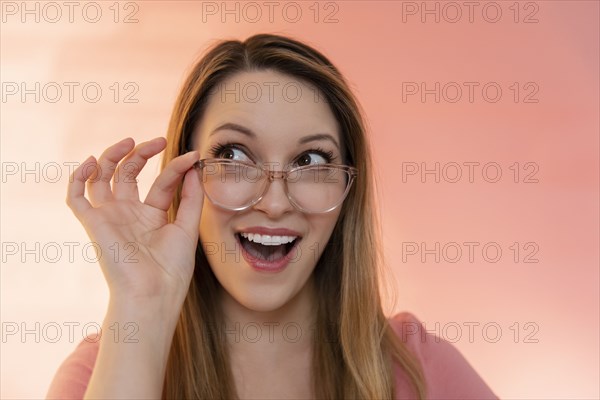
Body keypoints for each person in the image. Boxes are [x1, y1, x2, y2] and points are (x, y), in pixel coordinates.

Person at [47, 33, 499, 399]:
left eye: (310, 162)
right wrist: (141, 305)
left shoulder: (418, 369)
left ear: (347, 191)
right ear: (186, 174)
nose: (276, 202)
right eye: (235, 155)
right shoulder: (106, 369)